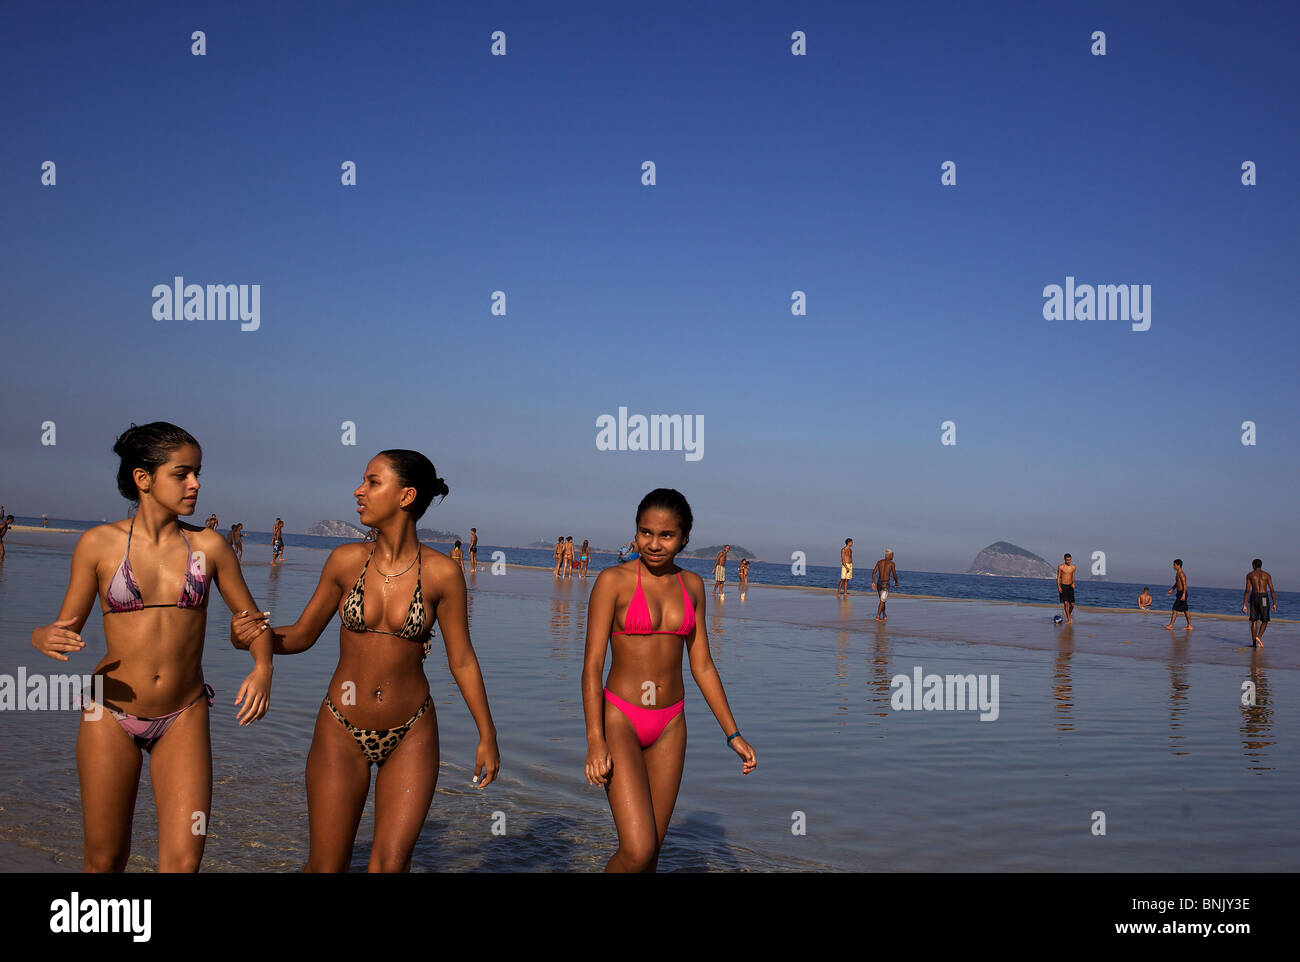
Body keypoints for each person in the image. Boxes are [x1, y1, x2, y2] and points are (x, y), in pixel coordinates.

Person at [232, 450, 498, 872]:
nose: (359, 490)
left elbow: (462, 660)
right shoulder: (345, 561)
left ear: (406, 495)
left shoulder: (443, 573)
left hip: (411, 731)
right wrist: (252, 638)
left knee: (390, 867)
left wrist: (487, 733)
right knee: (326, 866)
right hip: (341, 725)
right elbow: (300, 636)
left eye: (373, 482)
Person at [30, 422, 272, 872]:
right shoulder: (97, 544)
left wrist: (262, 668)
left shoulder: (210, 546)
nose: (195, 483)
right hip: (110, 710)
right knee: (105, 859)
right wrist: (40, 636)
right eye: (182, 474)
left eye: (197, 473)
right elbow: (64, 624)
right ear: (144, 479)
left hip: (184, 713)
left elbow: (252, 622)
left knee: (183, 863)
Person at [583, 489, 756, 872]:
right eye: (646, 532)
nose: (654, 544)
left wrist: (733, 734)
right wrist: (595, 739)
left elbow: (703, 666)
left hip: (671, 723)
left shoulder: (693, 586)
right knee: (638, 849)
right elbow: (592, 665)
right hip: (620, 719)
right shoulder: (613, 581)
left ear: (684, 539)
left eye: (666, 535)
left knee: (651, 855)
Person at [1242, 559, 1277, 647]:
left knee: (1254, 620)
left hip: (1254, 597)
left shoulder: (1250, 575)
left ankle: (1254, 643)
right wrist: (1274, 603)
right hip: (1264, 597)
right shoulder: (1267, 575)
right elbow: (1272, 590)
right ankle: (1259, 636)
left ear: (1253, 565)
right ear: (1261, 565)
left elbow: (1247, 590)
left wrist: (1244, 604)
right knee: (1265, 620)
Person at [1164, 558, 1193, 631]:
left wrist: (1183, 595)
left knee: (1174, 609)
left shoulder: (1181, 574)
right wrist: (1172, 589)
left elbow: (1184, 584)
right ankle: (1189, 625)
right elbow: (1177, 583)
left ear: (1178, 565)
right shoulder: (1177, 573)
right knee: (1185, 610)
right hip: (1179, 593)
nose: (1173, 567)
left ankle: (1170, 625)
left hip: (1182, 593)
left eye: (1174, 565)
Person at [872, 549, 899, 620]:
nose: (893, 556)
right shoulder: (891, 563)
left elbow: (874, 572)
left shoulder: (879, 562)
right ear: (889, 555)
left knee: (882, 600)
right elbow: (894, 574)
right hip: (885, 584)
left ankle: (884, 615)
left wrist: (873, 582)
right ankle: (878, 616)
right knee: (882, 600)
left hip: (879, 583)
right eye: (892, 555)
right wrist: (896, 582)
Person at [1056, 553, 1077, 625]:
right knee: (1066, 603)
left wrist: (1073, 583)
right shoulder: (1061, 567)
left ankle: (1068, 615)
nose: (1069, 561)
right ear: (1064, 559)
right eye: (1067, 560)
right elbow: (1058, 577)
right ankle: (1069, 619)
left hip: (1070, 586)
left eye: (1070, 560)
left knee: (1072, 604)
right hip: (1063, 586)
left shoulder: (1073, 567)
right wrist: (1058, 586)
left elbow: (1073, 576)